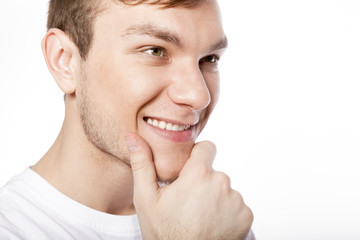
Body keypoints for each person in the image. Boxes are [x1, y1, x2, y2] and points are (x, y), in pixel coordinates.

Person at [0, 0, 255, 239]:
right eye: (155, 51)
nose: (199, 96)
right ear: (64, 61)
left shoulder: (214, 218)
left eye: (209, 58)